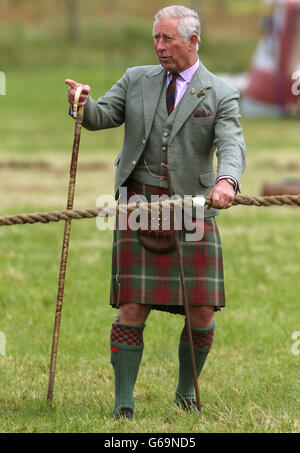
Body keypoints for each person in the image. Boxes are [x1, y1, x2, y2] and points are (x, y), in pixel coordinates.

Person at [66, 5, 246, 420]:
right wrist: (82, 103)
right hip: (139, 206)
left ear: (193, 41)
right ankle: (123, 404)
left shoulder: (219, 92)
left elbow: (231, 144)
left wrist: (227, 182)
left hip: (192, 210)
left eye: (168, 39)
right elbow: (102, 117)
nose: (160, 46)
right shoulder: (136, 80)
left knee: (201, 308)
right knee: (132, 304)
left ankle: (186, 393)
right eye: (156, 38)